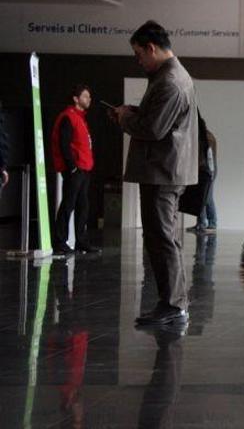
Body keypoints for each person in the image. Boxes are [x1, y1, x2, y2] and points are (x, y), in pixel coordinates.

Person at [109, 20, 198, 327]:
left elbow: (153, 128)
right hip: (164, 171)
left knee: (162, 238)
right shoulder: (168, 77)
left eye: (139, 54)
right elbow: (158, 120)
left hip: (163, 173)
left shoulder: (170, 81)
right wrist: (133, 112)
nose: (139, 61)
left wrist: (124, 119)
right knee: (163, 237)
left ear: (151, 48)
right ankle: (174, 303)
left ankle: (173, 305)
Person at [51, 84, 99, 256]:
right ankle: (60, 241)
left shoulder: (81, 118)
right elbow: (64, 144)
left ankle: (81, 241)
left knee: (83, 205)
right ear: (76, 99)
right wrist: (72, 167)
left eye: (89, 97)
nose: (89, 99)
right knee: (68, 204)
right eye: (85, 96)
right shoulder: (68, 117)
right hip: (76, 169)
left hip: (84, 169)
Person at [186, 115, 218, 234]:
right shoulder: (203, 136)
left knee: (207, 197)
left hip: (207, 169)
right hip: (204, 169)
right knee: (201, 197)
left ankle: (212, 223)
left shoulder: (207, 137)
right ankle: (201, 223)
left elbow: (205, 157)